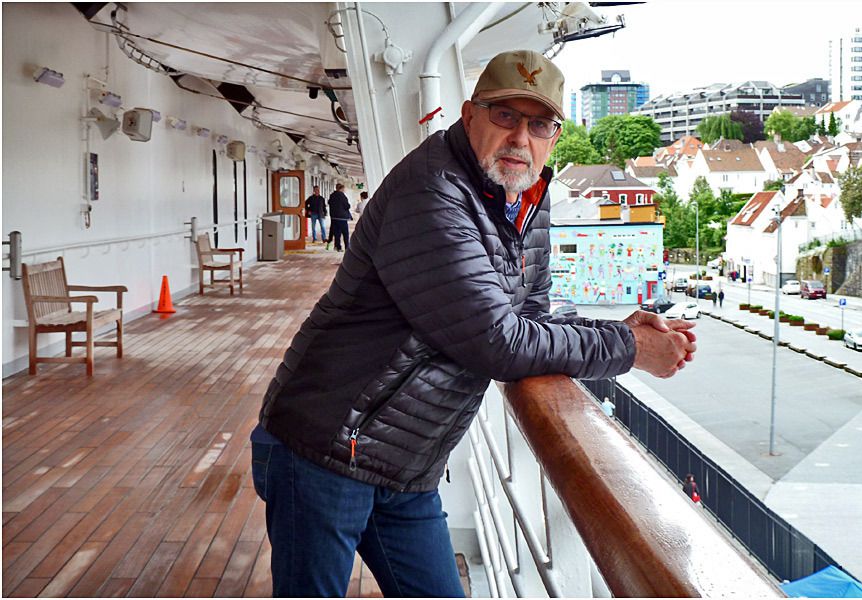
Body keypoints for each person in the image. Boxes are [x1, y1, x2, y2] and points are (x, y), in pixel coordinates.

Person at [251, 49, 697, 597]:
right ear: (469, 115)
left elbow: (530, 315)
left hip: (406, 463)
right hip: (325, 447)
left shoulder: (527, 198)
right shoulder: (432, 188)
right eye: (504, 116)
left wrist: (619, 327)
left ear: (554, 137)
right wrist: (628, 348)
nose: (520, 138)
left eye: (538, 124)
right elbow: (498, 341)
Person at [327, 183, 351, 251]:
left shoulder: (332, 195)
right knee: (345, 233)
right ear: (341, 188)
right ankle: (347, 247)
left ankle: (338, 247)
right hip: (342, 218)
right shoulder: (342, 196)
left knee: (337, 233)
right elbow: (347, 206)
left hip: (334, 217)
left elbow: (329, 203)